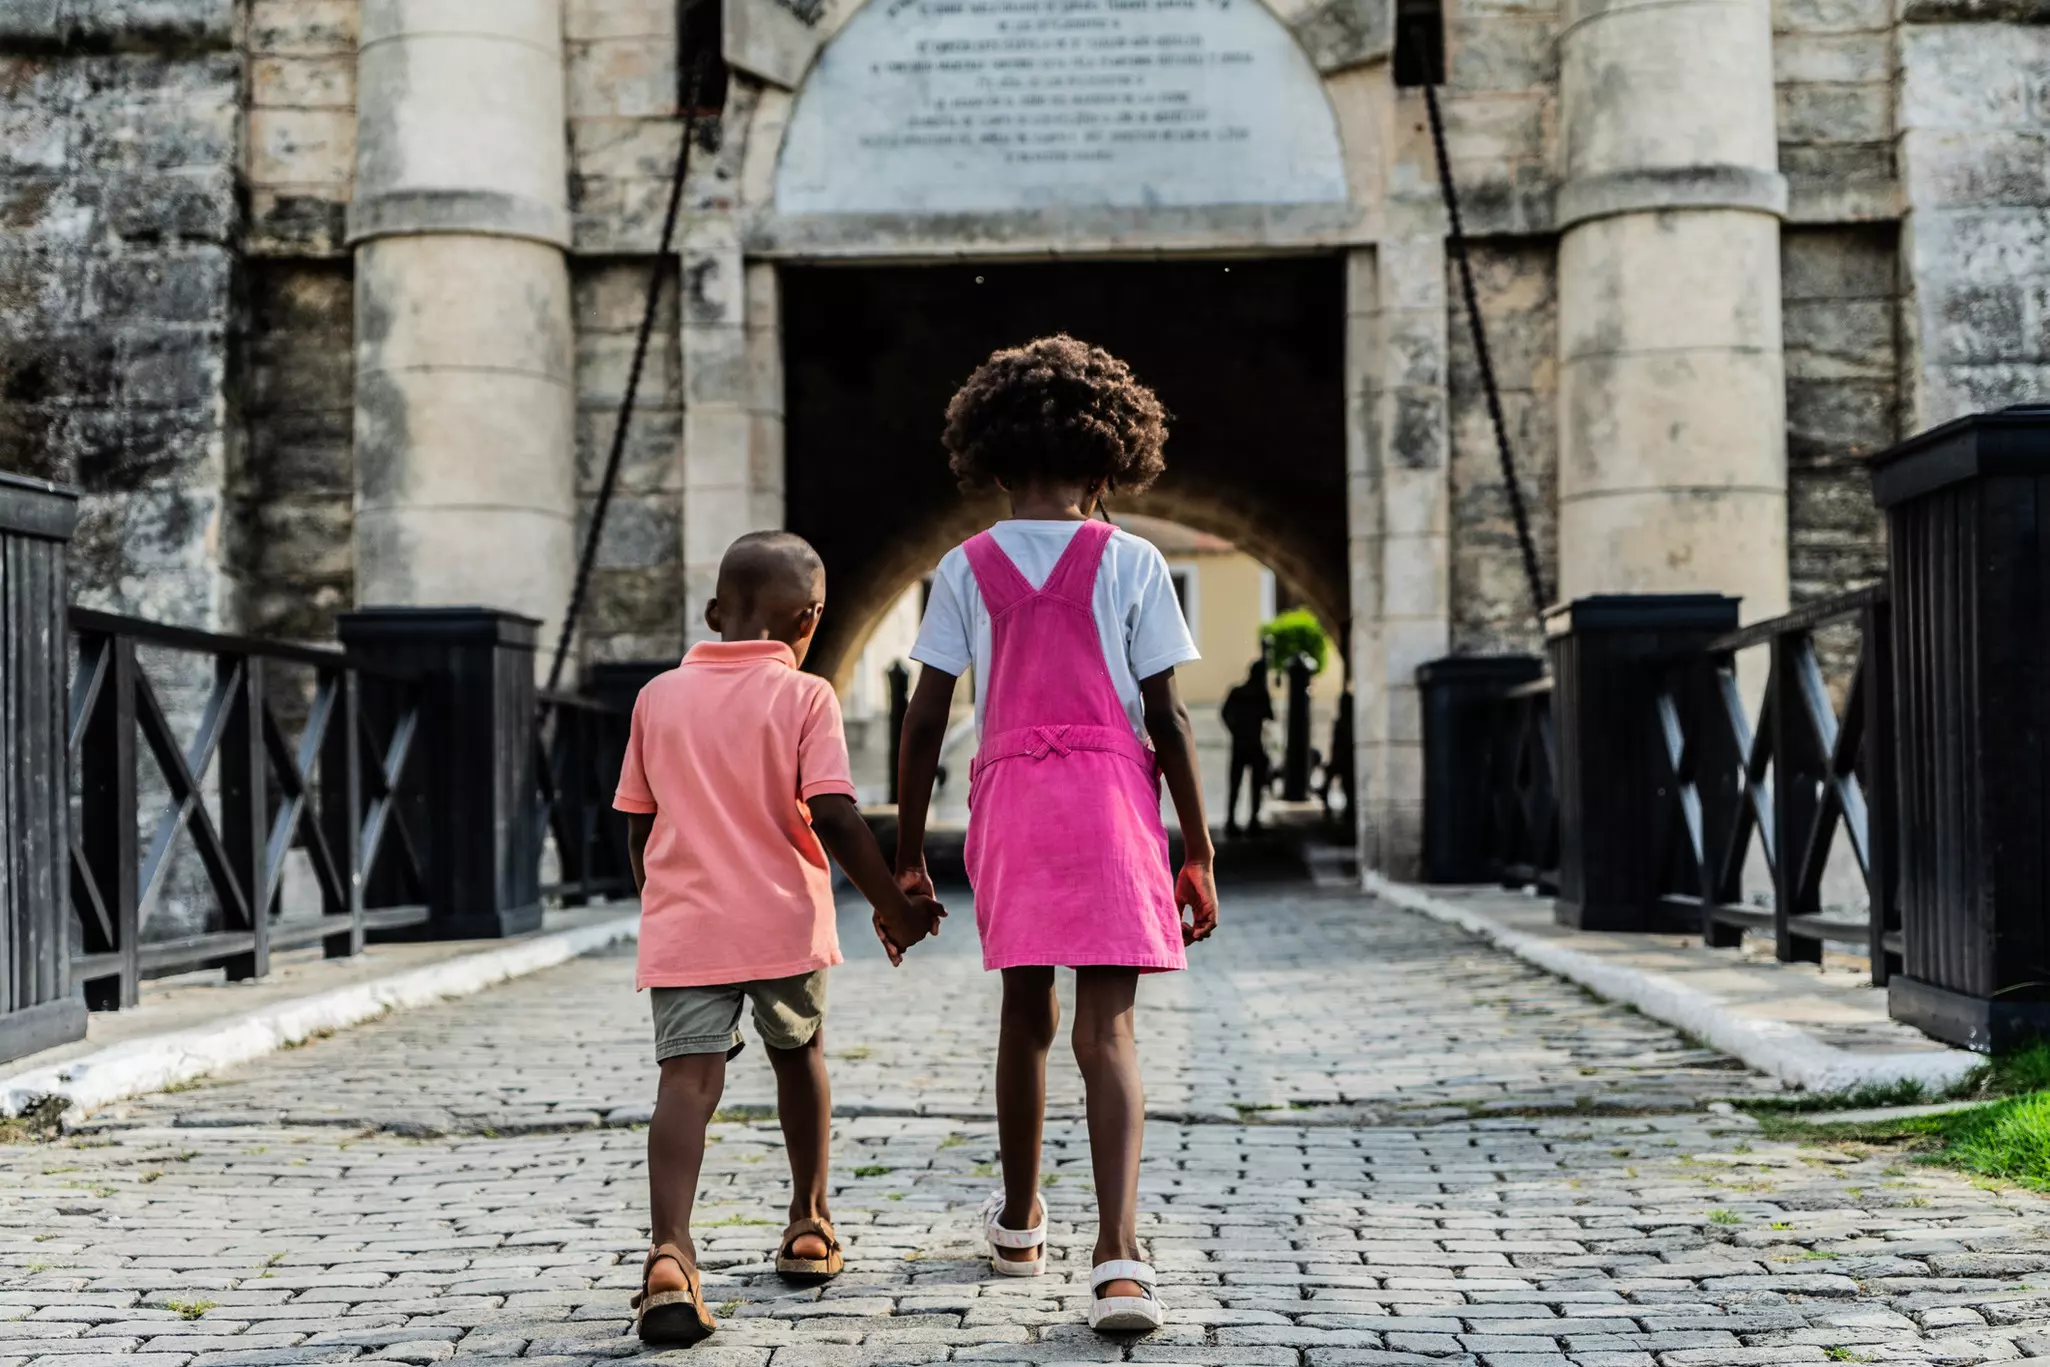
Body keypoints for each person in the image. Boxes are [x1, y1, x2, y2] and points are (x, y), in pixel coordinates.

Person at [894, 335, 1220, 1335]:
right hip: (1110, 802)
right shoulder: (1133, 560)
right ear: (1110, 464)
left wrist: (906, 852)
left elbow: (924, 713)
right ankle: (1118, 1257)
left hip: (1013, 807)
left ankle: (1019, 1220)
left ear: (990, 462)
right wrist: (1198, 847)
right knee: (1107, 1028)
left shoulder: (963, 566)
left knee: (1023, 1010)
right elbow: (1168, 716)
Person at [614, 530, 945, 1348]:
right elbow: (832, 812)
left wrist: (662, 902)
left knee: (685, 1082)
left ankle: (670, 1254)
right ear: (811, 619)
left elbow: (637, 826)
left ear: (713, 612)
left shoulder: (657, 697)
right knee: (800, 1057)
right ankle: (808, 1220)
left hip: (686, 924)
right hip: (784, 921)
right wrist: (895, 908)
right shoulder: (807, 696)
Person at [1220, 659, 1273, 836]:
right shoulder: (1261, 694)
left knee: (1235, 784)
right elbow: (1270, 715)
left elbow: (1224, 713)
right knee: (1255, 786)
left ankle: (1231, 820)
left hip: (1239, 743)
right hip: (1255, 743)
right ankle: (1253, 820)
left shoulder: (1237, 692)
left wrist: (1234, 729)